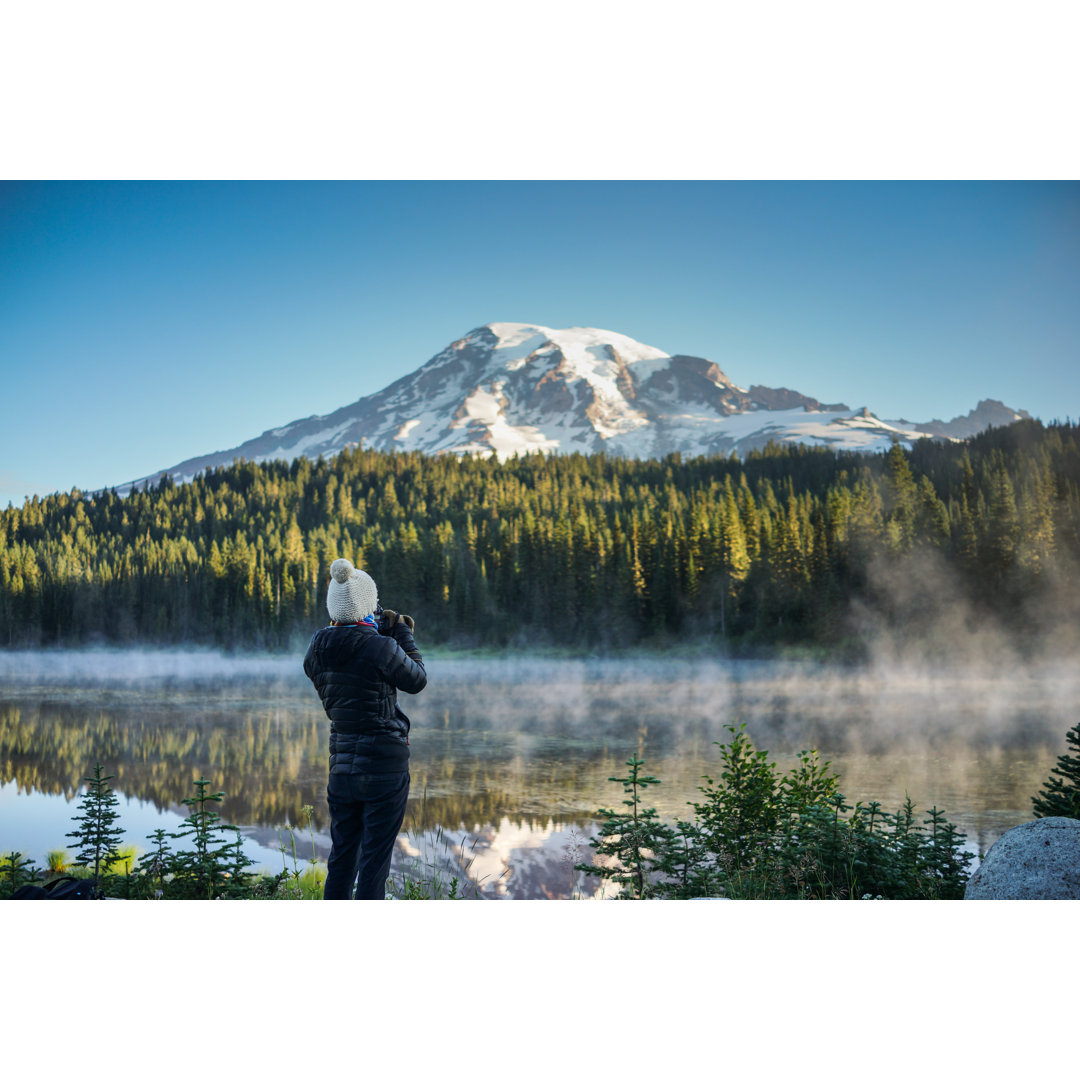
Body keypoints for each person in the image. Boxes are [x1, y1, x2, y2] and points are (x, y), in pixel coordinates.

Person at [303, 557, 426, 899]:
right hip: (385, 768)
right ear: (367, 605)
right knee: (374, 864)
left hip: (341, 768)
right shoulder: (381, 646)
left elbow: (351, 654)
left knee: (342, 860)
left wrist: (372, 633)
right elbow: (417, 679)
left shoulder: (317, 648)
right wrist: (400, 633)